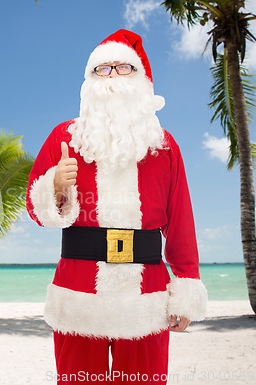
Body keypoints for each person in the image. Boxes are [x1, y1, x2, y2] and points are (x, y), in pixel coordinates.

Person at [26, 29, 208, 384]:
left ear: (141, 78)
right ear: (89, 80)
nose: (112, 76)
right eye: (102, 69)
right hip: (78, 293)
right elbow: (36, 211)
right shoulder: (64, 138)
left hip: (147, 295)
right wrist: (56, 187)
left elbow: (181, 220)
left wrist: (186, 287)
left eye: (122, 67)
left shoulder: (164, 145)